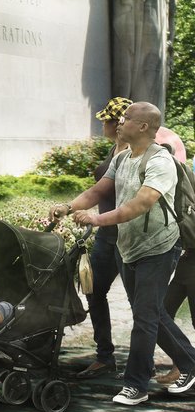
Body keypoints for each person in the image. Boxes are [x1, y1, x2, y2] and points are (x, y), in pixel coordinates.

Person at [52, 100, 195, 405]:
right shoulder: (123, 158)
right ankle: (191, 363)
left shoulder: (160, 162)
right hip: (127, 247)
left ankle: (136, 385)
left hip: (158, 247)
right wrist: (68, 207)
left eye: (127, 118)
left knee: (144, 317)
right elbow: (97, 191)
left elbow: (140, 204)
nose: (120, 122)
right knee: (150, 313)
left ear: (143, 126)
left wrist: (96, 219)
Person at [74, 97, 130, 380]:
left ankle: (178, 360)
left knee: (143, 304)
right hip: (107, 236)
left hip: (129, 238)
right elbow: (97, 191)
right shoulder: (114, 149)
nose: (103, 123)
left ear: (119, 123)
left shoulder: (136, 153)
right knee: (93, 290)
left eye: (107, 119)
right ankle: (105, 356)